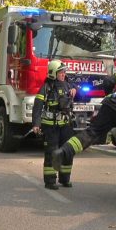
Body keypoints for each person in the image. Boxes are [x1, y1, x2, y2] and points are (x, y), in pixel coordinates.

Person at [51, 64, 116, 176]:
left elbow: (107, 82)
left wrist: (110, 94)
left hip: (109, 104)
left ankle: (63, 151)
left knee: (92, 132)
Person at [32, 60, 76, 190]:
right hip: (50, 127)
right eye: (61, 72)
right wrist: (36, 124)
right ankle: (50, 181)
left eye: (64, 72)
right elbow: (37, 107)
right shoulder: (46, 88)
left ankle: (65, 179)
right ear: (53, 73)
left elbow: (77, 90)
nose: (63, 74)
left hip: (66, 125)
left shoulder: (68, 85)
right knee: (52, 153)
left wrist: (74, 89)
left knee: (67, 152)